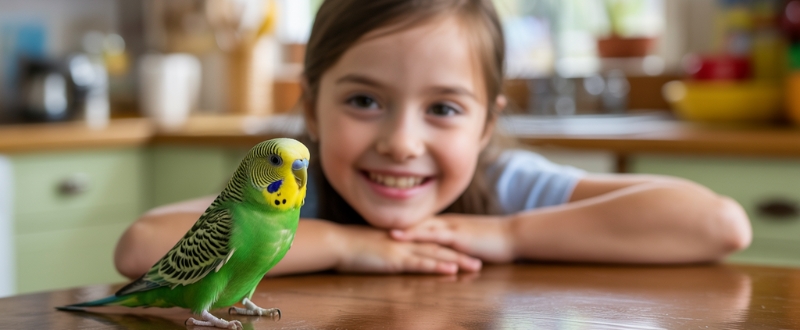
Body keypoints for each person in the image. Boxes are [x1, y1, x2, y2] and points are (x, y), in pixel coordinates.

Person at [114, 0, 751, 280]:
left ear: (486, 126)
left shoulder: (508, 188)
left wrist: (510, 234)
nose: (401, 142)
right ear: (311, 109)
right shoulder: (293, 200)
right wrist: (345, 244)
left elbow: (718, 224)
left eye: (443, 108)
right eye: (364, 101)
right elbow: (142, 246)